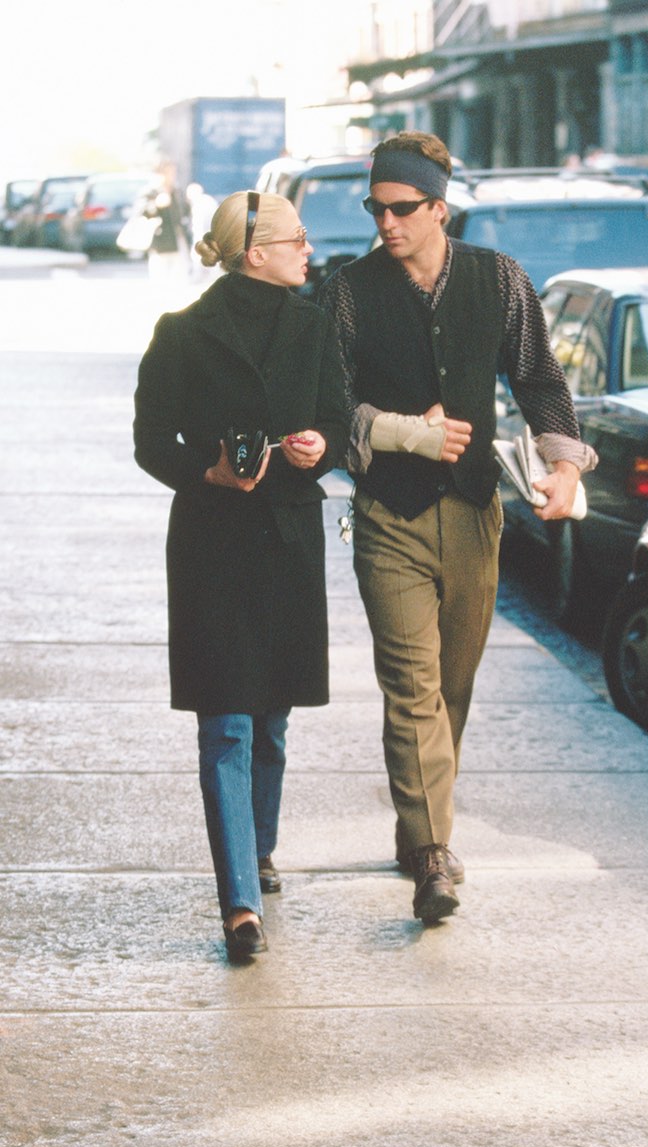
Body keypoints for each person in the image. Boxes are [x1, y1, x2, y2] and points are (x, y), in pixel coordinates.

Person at [319, 131, 597, 925]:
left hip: (476, 513)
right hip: (388, 516)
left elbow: (540, 378)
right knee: (411, 688)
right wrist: (404, 430)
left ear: (440, 209)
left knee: (452, 688)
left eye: (402, 210)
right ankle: (434, 853)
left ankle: (420, 824)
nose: (386, 224)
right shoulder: (347, 291)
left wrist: (565, 467)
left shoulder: (499, 279)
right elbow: (330, 412)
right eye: (376, 209)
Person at [133, 191, 349, 962]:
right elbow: (151, 440)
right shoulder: (183, 334)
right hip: (212, 542)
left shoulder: (315, 326)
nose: (308, 250)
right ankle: (240, 905)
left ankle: (257, 849)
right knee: (226, 719)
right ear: (254, 252)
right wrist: (212, 470)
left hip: (288, 537)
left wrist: (319, 445)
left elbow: (340, 422)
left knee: (272, 720)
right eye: (295, 240)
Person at [142, 162, 189, 284]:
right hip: (159, 241)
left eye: (173, 173)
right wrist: (156, 205)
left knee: (179, 278)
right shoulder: (151, 191)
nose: (171, 176)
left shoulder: (176, 191)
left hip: (177, 239)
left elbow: (183, 212)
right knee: (160, 278)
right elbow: (141, 212)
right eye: (168, 173)